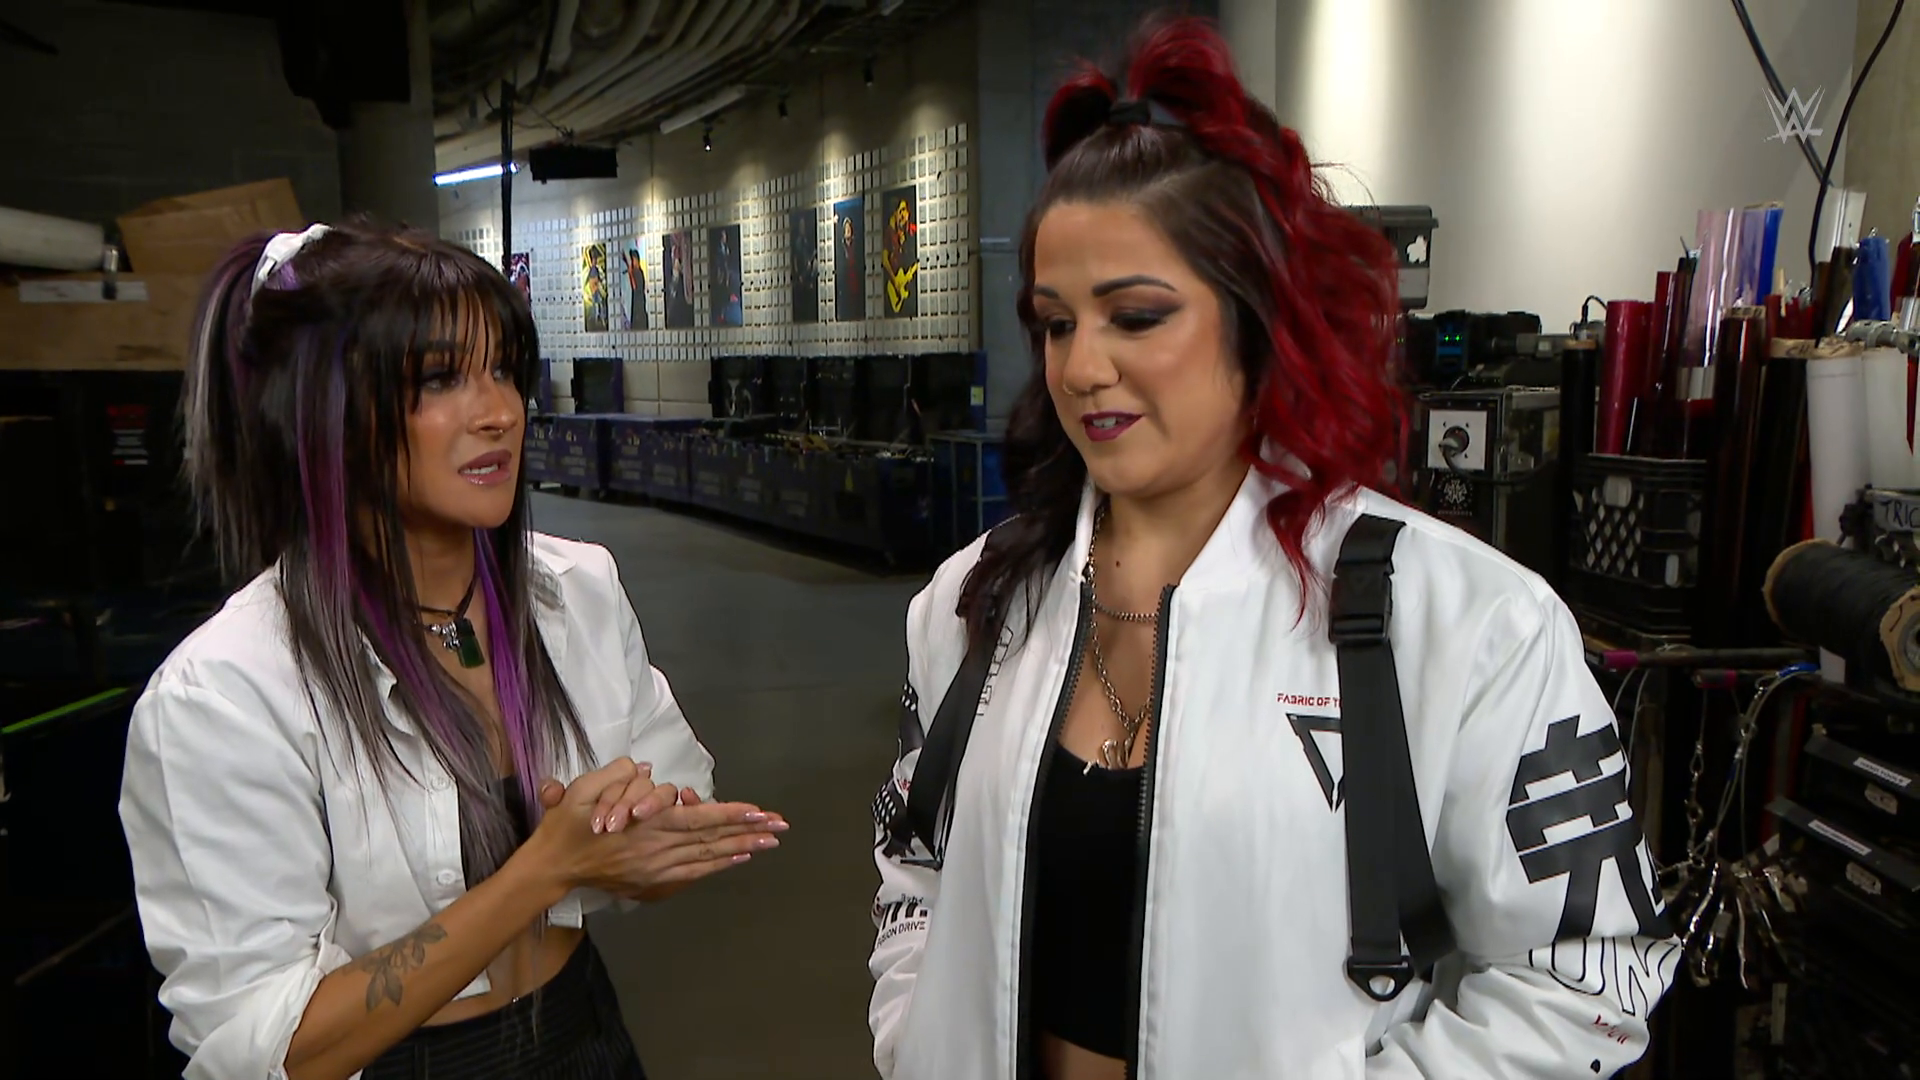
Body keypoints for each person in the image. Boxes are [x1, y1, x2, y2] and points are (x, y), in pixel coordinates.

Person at [868, 16, 1678, 1080]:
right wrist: (916, 1037)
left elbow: (1588, 982)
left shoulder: (1466, 625)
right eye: (1057, 323)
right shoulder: (972, 602)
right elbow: (912, 869)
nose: (1081, 367)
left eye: (1136, 316)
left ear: (1258, 320)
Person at [119, 221, 788, 1080]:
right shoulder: (227, 692)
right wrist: (544, 870)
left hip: (583, 1035)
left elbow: (668, 824)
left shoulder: (575, 590)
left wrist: (645, 833)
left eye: (504, 370)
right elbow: (272, 1049)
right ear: (326, 414)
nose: (499, 412)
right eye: (440, 379)